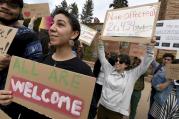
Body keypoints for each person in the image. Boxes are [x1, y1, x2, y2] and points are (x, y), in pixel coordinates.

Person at [0, 8, 94, 118]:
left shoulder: (84, 72)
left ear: (74, 34)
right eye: (52, 23)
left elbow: (88, 113)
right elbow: (23, 98)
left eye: (60, 24)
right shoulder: (38, 62)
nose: (52, 28)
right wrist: (8, 99)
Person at [0, 0, 43, 118]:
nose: (4, 7)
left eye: (12, 4)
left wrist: (12, 62)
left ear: (20, 10)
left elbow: (38, 69)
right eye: (1, 2)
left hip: (7, 104)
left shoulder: (29, 36)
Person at [97, 39, 154, 119]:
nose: (117, 62)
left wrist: (150, 47)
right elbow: (102, 57)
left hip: (116, 112)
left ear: (126, 65)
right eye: (117, 60)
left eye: (121, 62)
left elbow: (145, 64)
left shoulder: (131, 76)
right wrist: (100, 42)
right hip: (102, 107)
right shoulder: (108, 69)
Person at [149, 55, 178, 119]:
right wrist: (169, 81)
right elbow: (157, 87)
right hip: (161, 101)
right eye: (165, 59)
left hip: (175, 107)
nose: (166, 61)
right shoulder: (161, 70)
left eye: (168, 60)